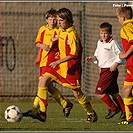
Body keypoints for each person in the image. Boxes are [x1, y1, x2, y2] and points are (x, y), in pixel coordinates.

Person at [24, 7, 98, 123]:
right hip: (59, 66)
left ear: (68, 21)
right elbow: (60, 37)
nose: (58, 23)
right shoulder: (62, 31)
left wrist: (57, 61)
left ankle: (91, 113)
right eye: (57, 20)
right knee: (43, 82)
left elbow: (73, 54)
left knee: (77, 93)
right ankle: (42, 113)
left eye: (61, 20)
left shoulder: (73, 35)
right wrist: (55, 38)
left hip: (71, 68)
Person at [23, 8, 73, 121]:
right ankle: (65, 104)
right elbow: (37, 42)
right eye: (50, 19)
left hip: (52, 62)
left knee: (42, 83)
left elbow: (63, 40)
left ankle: (39, 110)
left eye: (55, 20)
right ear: (46, 20)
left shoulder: (59, 30)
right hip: (43, 61)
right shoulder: (42, 29)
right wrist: (43, 46)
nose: (53, 22)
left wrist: (57, 39)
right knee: (47, 86)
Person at [86, 22, 126, 120]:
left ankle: (113, 108)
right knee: (113, 92)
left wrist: (115, 64)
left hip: (110, 70)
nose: (103, 35)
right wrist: (92, 58)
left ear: (110, 33)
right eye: (101, 33)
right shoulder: (99, 43)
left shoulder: (112, 43)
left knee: (100, 91)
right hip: (103, 70)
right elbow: (98, 55)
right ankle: (125, 112)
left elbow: (121, 54)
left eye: (106, 33)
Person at [116, 6, 133, 125]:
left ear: (123, 18)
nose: (118, 20)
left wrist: (125, 54)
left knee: (126, 90)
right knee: (126, 90)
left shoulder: (126, 27)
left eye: (118, 18)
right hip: (130, 64)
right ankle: (130, 119)